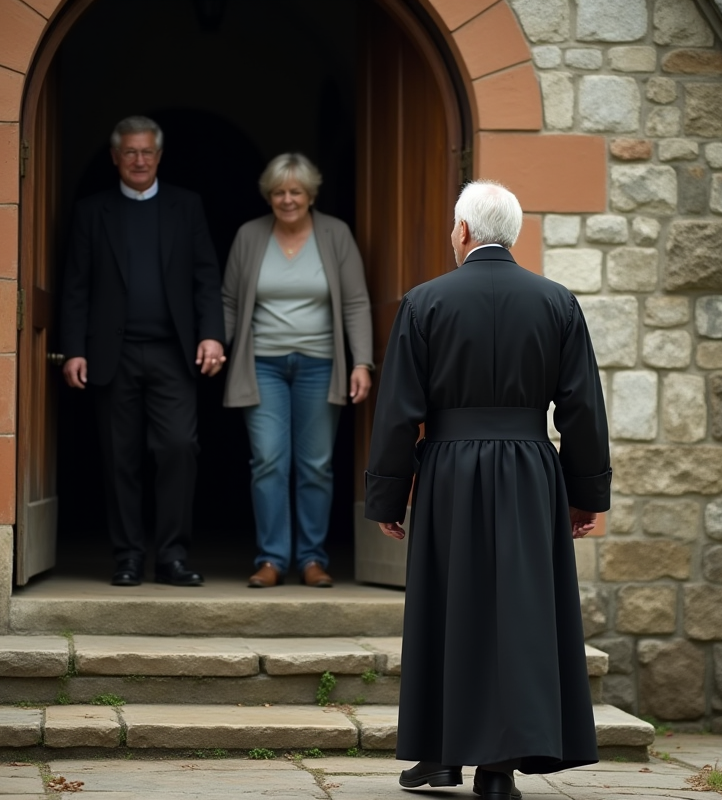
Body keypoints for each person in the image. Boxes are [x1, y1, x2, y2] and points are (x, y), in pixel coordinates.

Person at [364, 181, 611, 800]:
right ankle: (497, 772)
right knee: (519, 616)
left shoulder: (424, 304)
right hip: (531, 473)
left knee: (448, 611)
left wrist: (388, 496)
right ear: (513, 234)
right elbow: (582, 409)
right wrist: (585, 495)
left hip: (449, 472)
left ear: (464, 232)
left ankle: (440, 756)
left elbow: (398, 413)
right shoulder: (558, 303)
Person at [59, 116, 225, 588]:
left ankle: (172, 557)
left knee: (178, 449)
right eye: (129, 152)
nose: (138, 160)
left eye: (146, 151)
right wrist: (73, 349)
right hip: (114, 354)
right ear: (115, 157)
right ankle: (128, 556)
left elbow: (205, 278)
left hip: (175, 353)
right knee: (120, 457)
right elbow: (76, 287)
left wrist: (212, 334)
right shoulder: (93, 211)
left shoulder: (186, 206)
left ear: (159, 156)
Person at [222, 153, 373, 588]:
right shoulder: (250, 235)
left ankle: (311, 559)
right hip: (261, 365)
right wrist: (219, 345)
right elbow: (230, 300)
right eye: (278, 192)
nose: (287, 200)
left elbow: (357, 302)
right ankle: (271, 559)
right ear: (268, 196)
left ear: (311, 195)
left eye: (295, 192)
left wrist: (361, 361)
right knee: (268, 460)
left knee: (316, 465)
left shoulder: (335, 234)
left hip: (320, 365)